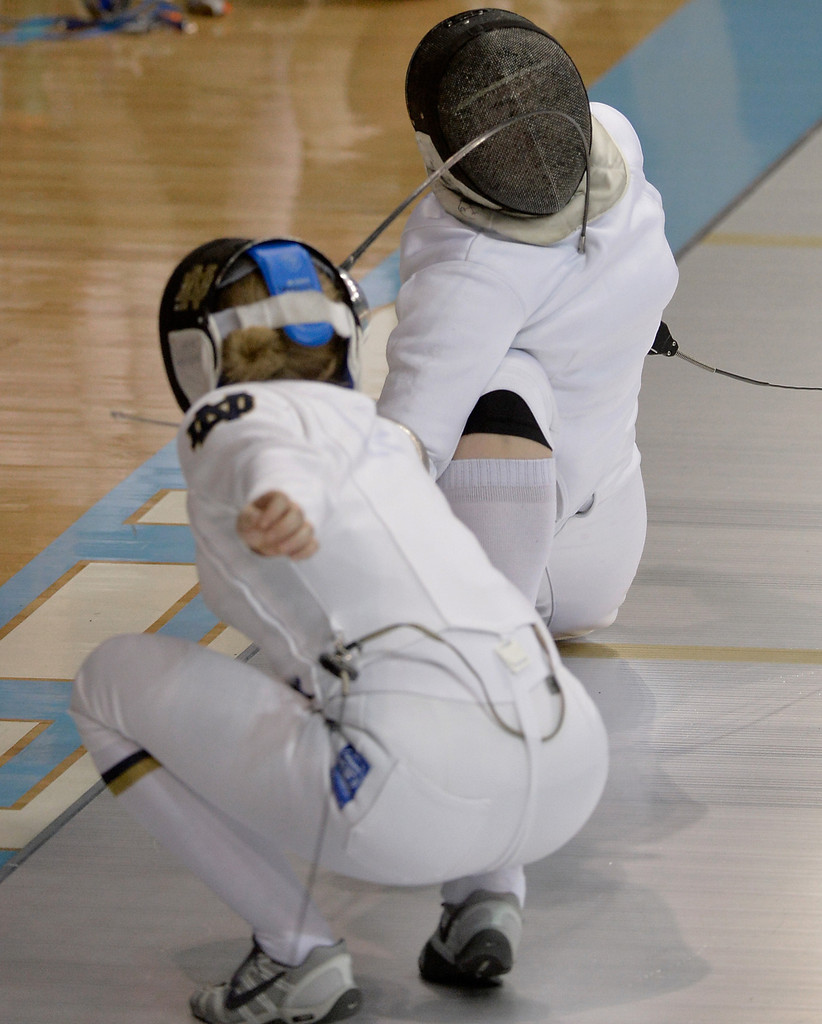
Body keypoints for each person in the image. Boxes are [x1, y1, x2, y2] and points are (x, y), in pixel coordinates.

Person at [71, 236, 609, 1024]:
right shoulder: (387, 437)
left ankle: (293, 953)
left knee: (104, 684)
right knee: (396, 661)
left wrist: (281, 500)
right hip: (570, 767)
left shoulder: (229, 417)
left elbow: (264, 448)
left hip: (414, 807)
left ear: (201, 353)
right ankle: (485, 902)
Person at [377, 9, 680, 638]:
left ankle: (485, 647)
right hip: (612, 538)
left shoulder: (466, 271)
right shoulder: (615, 135)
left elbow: (404, 452)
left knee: (498, 384)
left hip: (526, 570)